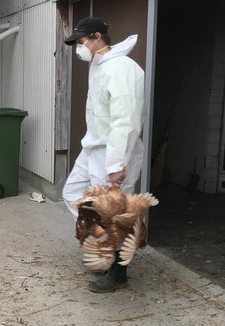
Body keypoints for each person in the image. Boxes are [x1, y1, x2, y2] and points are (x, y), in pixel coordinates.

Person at [61, 17, 145, 293]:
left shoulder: (121, 68)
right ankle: (101, 244)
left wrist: (116, 164)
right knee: (72, 193)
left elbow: (125, 121)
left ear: (98, 36)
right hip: (93, 149)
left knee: (114, 216)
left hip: (114, 153)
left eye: (83, 40)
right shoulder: (100, 65)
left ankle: (118, 270)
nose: (80, 46)